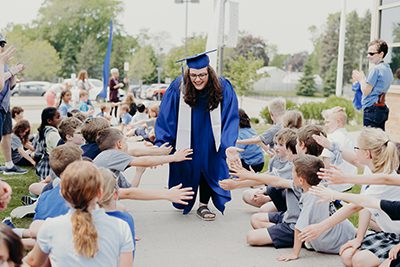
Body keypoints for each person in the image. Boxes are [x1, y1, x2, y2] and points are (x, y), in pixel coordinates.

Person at [155, 50, 239, 220]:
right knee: (186, 166)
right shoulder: (179, 86)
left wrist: (228, 144)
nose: (198, 79)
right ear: (188, 73)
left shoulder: (222, 87)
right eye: (194, 75)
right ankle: (184, 199)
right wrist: (163, 142)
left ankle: (203, 205)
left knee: (209, 166)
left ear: (209, 72)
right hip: (187, 137)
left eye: (202, 75)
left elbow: (230, 116)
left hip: (211, 137)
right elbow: (167, 115)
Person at [300, 127, 400, 267]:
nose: (355, 151)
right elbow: (366, 208)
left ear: (367, 153)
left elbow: (356, 206)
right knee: (347, 257)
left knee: (360, 261)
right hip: (388, 232)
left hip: (397, 236)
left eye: (356, 148)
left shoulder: (385, 176)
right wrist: (358, 239)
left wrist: (321, 227)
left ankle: (389, 261)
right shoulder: (370, 168)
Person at [24, 161, 134, 267]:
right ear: (100, 194)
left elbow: (32, 262)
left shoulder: (50, 227)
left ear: (62, 194)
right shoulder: (121, 227)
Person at [277, 155, 356, 262]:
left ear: (301, 180)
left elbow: (299, 228)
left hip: (335, 240)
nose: (291, 176)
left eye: (293, 173)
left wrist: (294, 253)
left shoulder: (311, 197)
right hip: (339, 232)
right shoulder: (319, 187)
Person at [352, 39, 393, 130]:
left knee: (369, 140)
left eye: (371, 54)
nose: (368, 56)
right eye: (368, 53)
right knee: (379, 140)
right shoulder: (387, 69)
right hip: (382, 108)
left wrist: (361, 79)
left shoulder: (375, 70)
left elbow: (366, 91)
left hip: (372, 109)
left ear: (381, 54)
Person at [0, 34, 26, 175]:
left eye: (3, 44)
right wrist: (11, 72)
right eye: (0, 44)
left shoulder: (3, 63)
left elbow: (10, 86)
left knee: (7, 134)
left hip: (4, 105)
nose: (2, 48)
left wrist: (14, 74)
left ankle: (9, 165)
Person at [321, 106, 356, 192]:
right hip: (348, 183)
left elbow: (326, 166)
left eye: (328, 122)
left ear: (338, 122)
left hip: (334, 185)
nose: (326, 125)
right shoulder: (349, 137)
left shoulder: (331, 138)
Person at [34, 107, 62, 180]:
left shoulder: (43, 131)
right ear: (49, 121)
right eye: (58, 117)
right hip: (50, 169)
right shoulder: (52, 134)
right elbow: (61, 150)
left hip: (43, 166)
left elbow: (36, 149)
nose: (61, 119)